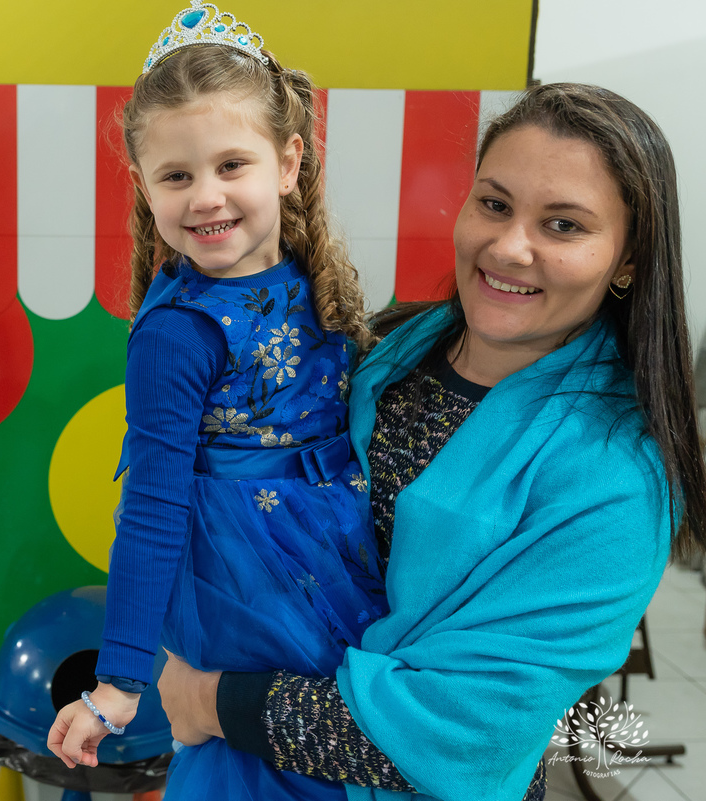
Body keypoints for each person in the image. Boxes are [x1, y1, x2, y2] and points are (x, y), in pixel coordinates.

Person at [156, 82, 706, 801]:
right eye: (495, 204)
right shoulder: (380, 348)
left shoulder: (617, 479)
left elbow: (466, 731)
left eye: (565, 225)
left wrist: (206, 700)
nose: (510, 247)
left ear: (629, 260)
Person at [47, 4, 388, 799]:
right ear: (143, 186)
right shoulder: (177, 330)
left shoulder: (314, 275)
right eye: (177, 175)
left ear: (289, 160)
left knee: (346, 741)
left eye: (231, 164)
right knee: (271, 758)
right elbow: (153, 504)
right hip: (246, 565)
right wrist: (121, 680)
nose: (206, 196)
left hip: (335, 538)